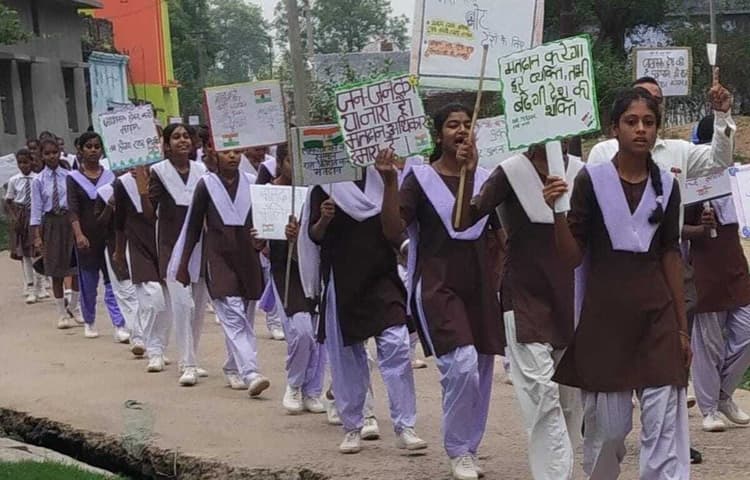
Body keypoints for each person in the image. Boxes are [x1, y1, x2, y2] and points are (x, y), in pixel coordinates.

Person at [548, 88, 690, 479]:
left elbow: (670, 254)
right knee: (609, 432)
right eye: (631, 121)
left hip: (658, 319)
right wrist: (556, 214)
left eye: (649, 122)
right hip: (606, 322)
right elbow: (571, 257)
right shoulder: (591, 182)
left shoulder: (667, 186)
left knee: (663, 427)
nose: (641, 129)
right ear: (615, 128)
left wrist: (681, 328)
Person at [378, 104, 503, 480]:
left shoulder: (485, 178)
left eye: (467, 124)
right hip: (437, 286)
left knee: (481, 369)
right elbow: (392, 230)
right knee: (461, 365)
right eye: (452, 125)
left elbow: (500, 234)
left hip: (480, 286)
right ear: (438, 135)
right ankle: (457, 448)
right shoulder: (420, 179)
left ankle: (470, 447)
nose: (461, 130)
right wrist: (389, 183)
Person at [453, 128, 584, 478]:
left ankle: (564, 469)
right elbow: (463, 219)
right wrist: (468, 172)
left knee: (570, 399)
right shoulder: (511, 171)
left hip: (569, 297)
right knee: (541, 393)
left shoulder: (581, 173)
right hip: (525, 297)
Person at [300, 152, 426, 456]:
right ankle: (353, 425)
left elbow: (396, 226)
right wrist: (324, 219)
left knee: (396, 345)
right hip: (343, 279)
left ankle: (405, 426)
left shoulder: (384, 179)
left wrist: (390, 180)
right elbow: (314, 236)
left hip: (382, 276)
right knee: (348, 359)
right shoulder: (323, 186)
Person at [173, 147, 271, 397]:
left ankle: (233, 366)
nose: (233, 157)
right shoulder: (206, 185)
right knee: (232, 312)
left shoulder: (252, 182)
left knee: (245, 315)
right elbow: (193, 226)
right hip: (218, 258)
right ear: (215, 155)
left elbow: (264, 220)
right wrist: (183, 265)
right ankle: (251, 372)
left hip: (247, 258)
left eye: (237, 152)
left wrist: (263, 241)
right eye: (227, 152)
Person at [684, 114, 750, 433]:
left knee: (746, 330)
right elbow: (673, 227)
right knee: (708, 343)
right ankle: (709, 407)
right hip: (705, 267)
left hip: (735, 264)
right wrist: (700, 227)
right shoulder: (690, 180)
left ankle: (724, 394)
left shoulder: (738, 177)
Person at [260, 144, 326, 413]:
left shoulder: (317, 192)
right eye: (290, 160)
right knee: (302, 331)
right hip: (286, 270)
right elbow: (259, 240)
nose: (296, 166)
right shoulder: (268, 193)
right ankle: (294, 383)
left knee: (319, 335)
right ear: (280, 162)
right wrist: (270, 237)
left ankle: (313, 390)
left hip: (315, 269)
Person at [144, 123, 209, 382]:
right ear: (167, 144)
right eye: (176, 137)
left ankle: (191, 355)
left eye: (186, 136)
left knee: (199, 306)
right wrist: (139, 180)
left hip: (199, 244)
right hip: (172, 245)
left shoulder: (202, 171)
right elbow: (150, 212)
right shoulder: (158, 172)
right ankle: (187, 363)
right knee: (182, 305)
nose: (182, 140)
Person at [66, 131, 128, 341]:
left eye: (97, 146)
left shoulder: (111, 177)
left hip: (109, 235)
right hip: (86, 236)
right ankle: (89, 320)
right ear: (80, 150)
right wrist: (78, 234)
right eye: (89, 147)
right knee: (89, 282)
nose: (93, 150)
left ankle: (119, 323)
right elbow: (73, 209)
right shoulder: (73, 178)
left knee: (112, 280)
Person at [113, 165, 172, 365]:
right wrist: (119, 250)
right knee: (152, 296)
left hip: (163, 244)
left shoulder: (163, 176)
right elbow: (119, 220)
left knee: (167, 302)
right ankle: (152, 349)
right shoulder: (122, 183)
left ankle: (159, 346)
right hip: (138, 246)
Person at [30, 139, 81, 329]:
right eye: (47, 153)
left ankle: (74, 307)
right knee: (56, 270)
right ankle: (61, 313)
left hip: (70, 221)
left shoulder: (70, 176)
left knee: (75, 269)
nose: (51, 156)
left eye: (54, 152)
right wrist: (37, 236)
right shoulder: (38, 180)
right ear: (41, 156)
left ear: (60, 152)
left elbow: (75, 202)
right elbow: (36, 209)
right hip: (51, 224)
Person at [252, 147, 285, 341]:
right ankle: (274, 320)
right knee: (273, 278)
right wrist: (263, 241)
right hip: (274, 235)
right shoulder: (268, 168)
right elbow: (260, 201)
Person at [5, 149, 44, 303]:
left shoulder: (38, 179)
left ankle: (40, 284)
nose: (23, 165)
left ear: (31, 162)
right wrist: (14, 217)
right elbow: (8, 200)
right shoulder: (14, 180)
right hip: (21, 215)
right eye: (20, 163)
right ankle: (30, 287)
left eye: (26, 162)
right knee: (26, 254)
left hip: (36, 214)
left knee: (38, 251)